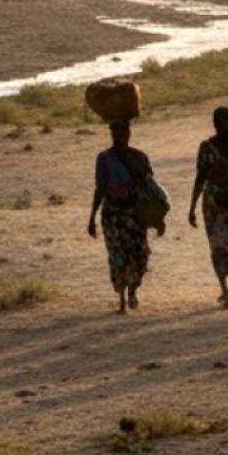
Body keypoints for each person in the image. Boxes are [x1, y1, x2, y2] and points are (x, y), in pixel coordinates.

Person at [88, 119, 160, 313]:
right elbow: (100, 189)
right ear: (111, 134)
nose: (121, 137)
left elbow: (151, 189)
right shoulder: (104, 159)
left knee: (140, 255)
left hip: (135, 215)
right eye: (117, 133)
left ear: (129, 134)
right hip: (112, 215)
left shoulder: (140, 158)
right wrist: (92, 217)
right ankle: (122, 300)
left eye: (124, 133)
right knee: (118, 256)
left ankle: (133, 290)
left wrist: (157, 218)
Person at [189, 107, 228, 309]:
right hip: (214, 205)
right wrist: (192, 207)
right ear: (215, 124)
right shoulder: (207, 148)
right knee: (219, 246)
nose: (226, 125)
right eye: (222, 121)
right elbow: (200, 177)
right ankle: (224, 288)